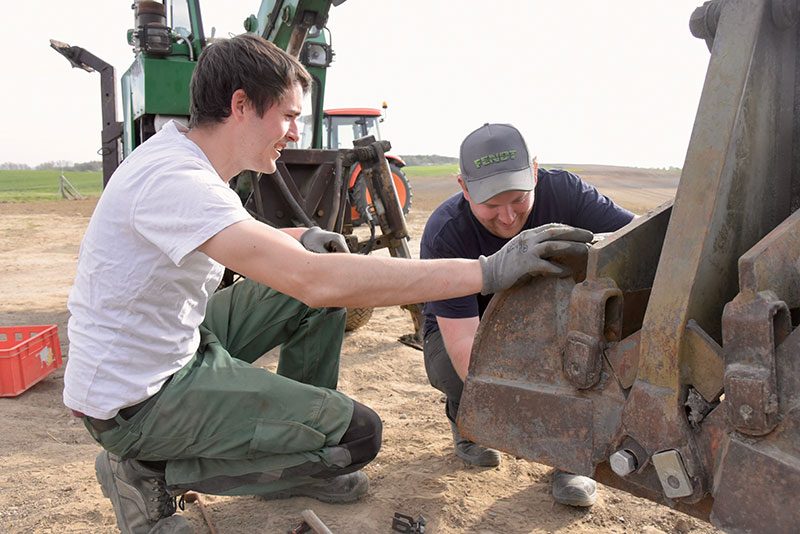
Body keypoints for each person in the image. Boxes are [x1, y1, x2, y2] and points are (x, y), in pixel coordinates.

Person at [63, 35, 594, 534]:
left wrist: (299, 234)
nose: (296, 131)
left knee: (315, 308)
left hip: (174, 345)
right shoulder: (176, 181)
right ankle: (146, 470)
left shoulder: (182, 160)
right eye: (289, 115)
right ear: (242, 105)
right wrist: (489, 270)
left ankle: (293, 452)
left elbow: (233, 242)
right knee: (357, 436)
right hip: (140, 399)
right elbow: (315, 281)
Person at [420, 123, 634, 507]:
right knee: (450, 372)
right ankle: (467, 421)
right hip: (476, 328)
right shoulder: (445, 234)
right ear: (464, 188)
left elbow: (639, 240)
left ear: (535, 172)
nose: (506, 218)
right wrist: (519, 414)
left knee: (589, 356)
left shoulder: (568, 193)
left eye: (518, 199)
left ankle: (572, 459)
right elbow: (465, 348)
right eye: (490, 205)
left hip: (559, 325)